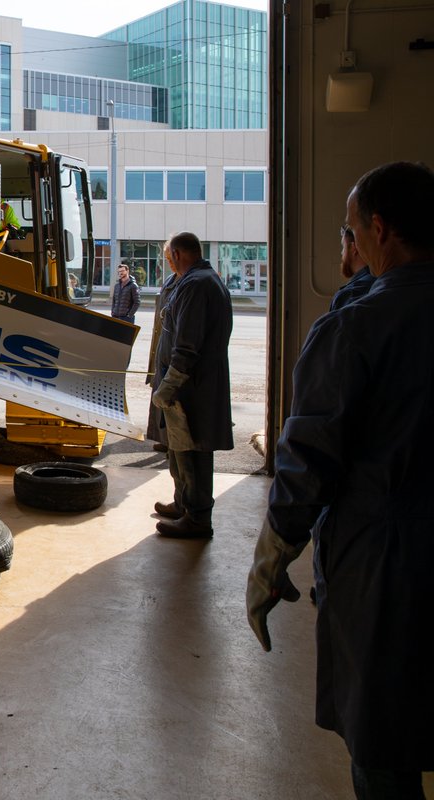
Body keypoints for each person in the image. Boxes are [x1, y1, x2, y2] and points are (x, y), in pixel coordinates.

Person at [246, 161, 434, 799]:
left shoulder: (356, 329)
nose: (348, 245)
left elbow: (308, 461)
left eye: (351, 230)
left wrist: (270, 561)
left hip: (387, 572)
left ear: (378, 230)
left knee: (384, 751)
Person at [149, 232, 233, 538]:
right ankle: (184, 504)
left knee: (193, 452)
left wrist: (168, 386)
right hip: (193, 387)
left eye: (169, 258)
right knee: (180, 451)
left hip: (190, 390)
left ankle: (197, 519)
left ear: (179, 255)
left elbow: (186, 347)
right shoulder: (203, 280)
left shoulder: (195, 285)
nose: (168, 263)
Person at [145, 240, 178, 454]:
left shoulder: (189, 283)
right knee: (159, 397)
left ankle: (172, 443)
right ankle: (164, 440)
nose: (168, 263)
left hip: (172, 354)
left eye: (169, 258)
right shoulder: (170, 280)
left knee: (170, 401)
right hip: (161, 348)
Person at [330, 222, 375, 311]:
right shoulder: (384, 281)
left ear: (353, 247)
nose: (341, 253)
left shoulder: (347, 297)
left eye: (343, 246)